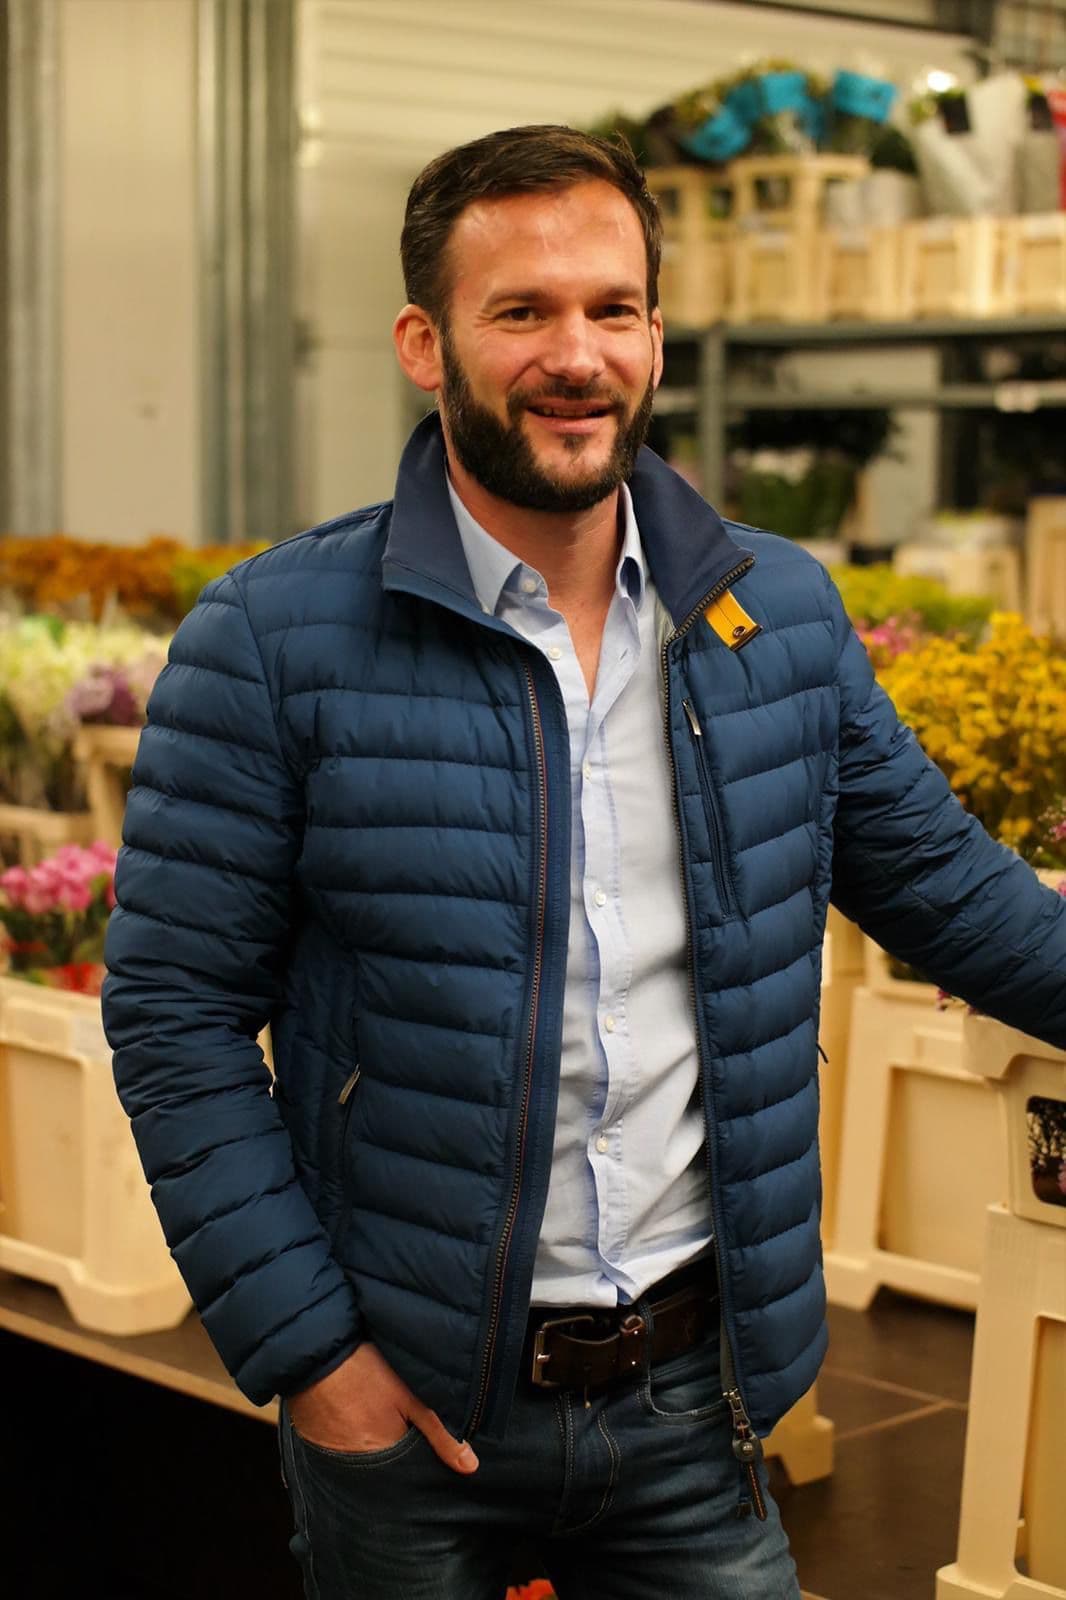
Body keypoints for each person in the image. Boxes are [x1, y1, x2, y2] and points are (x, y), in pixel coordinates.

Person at [102, 124, 1066, 1600]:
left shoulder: (771, 622)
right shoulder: (273, 642)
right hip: (412, 1415)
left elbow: (945, 885)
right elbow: (173, 1015)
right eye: (523, 312)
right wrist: (315, 1358)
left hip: (699, 1402)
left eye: (611, 310)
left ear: (656, 336)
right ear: (426, 345)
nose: (576, 355)